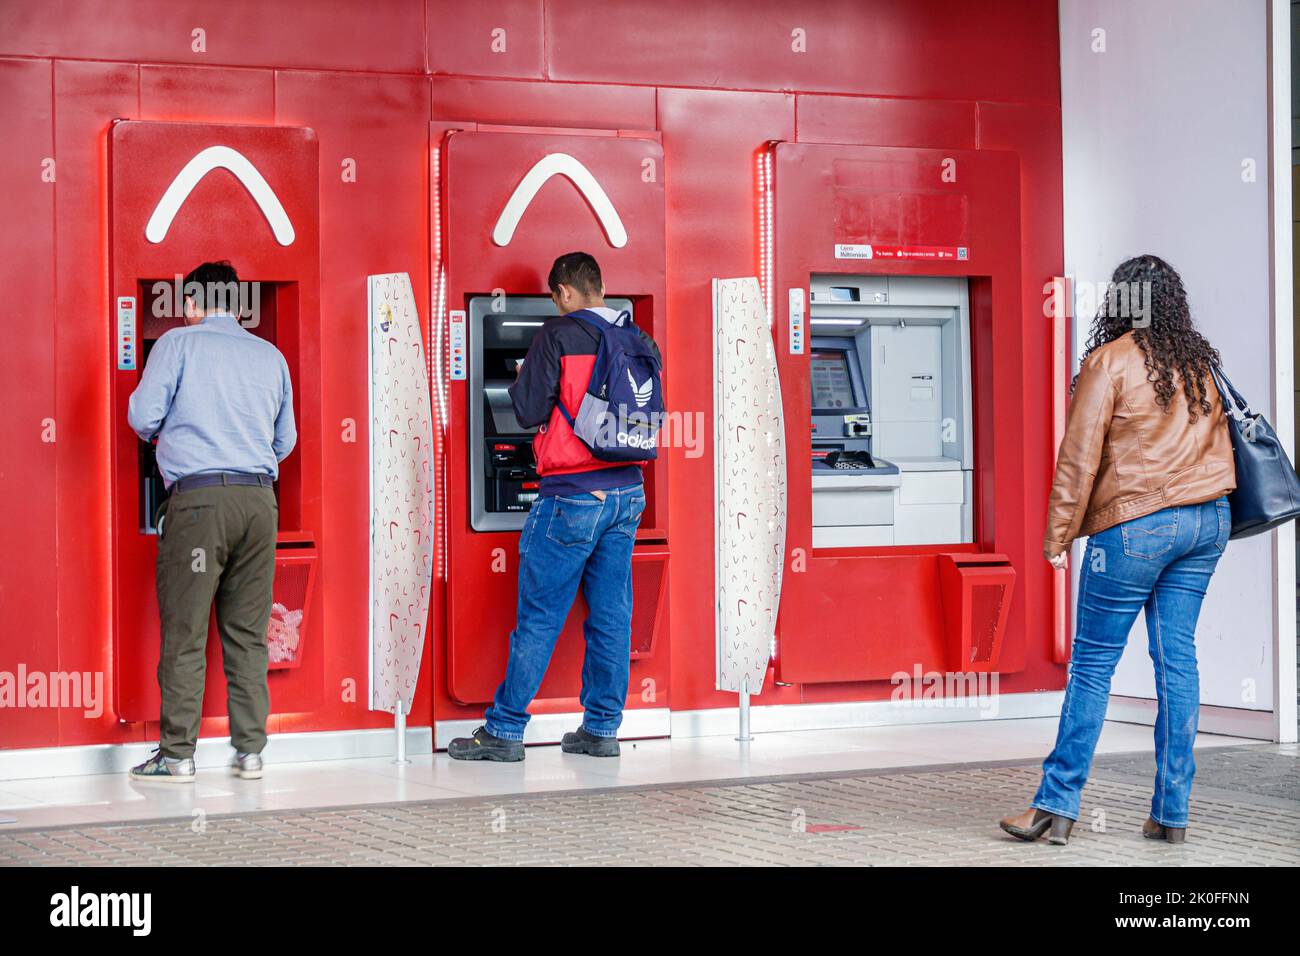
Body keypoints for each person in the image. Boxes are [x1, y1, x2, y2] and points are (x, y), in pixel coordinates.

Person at [1000, 254, 1235, 845]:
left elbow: (1078, 460)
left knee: (1093, 665)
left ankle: (1056, 805)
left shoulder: (1108, 362)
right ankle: (1172, 813)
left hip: (1136, 528)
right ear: (1173, 303)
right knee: (1176, 661)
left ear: (1120, 302)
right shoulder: (1200, 363)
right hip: (1207, 523)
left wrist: (1057, 536)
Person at [449, 252, 659, 761]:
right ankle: (602, 729)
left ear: (564, 292)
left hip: (572, 497)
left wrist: (526, 375)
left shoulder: (555, 335)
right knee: (612, 616)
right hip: (628, 493)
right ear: (601, 287)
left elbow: (524, 410)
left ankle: (505, 730)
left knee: (540, 617)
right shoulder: (639, 339)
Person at [125, 260, 296, 783]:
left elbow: (141, 417)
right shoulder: (270, 354)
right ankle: (251, 753)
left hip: (200, 504)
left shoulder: (178, 344)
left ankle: (177, 755)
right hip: (259, 503)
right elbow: (284, 442)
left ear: (192, 303)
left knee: (185, 631)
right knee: (248, 634)